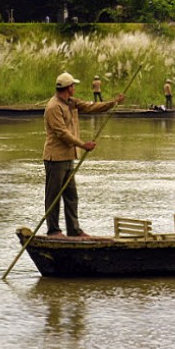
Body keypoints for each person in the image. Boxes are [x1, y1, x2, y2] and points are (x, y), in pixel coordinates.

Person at [43, 72, 123, 237]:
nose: (75, 88)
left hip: (68, 157)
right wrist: (83, 145)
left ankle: (74, 230)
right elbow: (62, 133)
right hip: (55, 158)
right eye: (73, 85)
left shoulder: (71, 102)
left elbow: (90, 107)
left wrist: (113, 103)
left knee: (71, 196)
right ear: (68, 88)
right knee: (54, 196)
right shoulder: (53, 107)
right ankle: (53, 231)